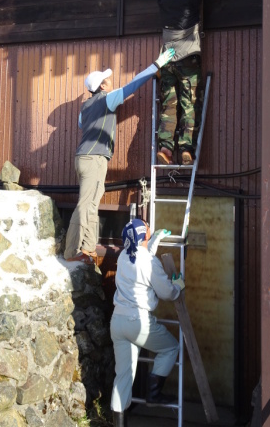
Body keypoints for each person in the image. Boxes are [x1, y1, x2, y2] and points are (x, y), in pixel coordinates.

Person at [64, 48, 175, 264]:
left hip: (84, 157)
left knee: (92, 204)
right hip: (94, 158)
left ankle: (87, 249)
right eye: (107, 80)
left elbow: (81, 124)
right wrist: (156, 65)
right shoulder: (106, 99)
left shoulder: (85, 107)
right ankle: (71, 251)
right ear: (102, 87)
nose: (110, 81)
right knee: (86, 205)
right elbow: (132, 85)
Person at [110, 218, 185, 426]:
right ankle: (154, 393)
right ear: (144, 234)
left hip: (117, 322)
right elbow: (166, 292)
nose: (151, 228)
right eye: (148, 228)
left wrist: (155, 241)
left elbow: (141, 257)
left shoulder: (124, 256)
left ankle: (118, 423)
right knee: (171, 348)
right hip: (138, 322)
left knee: (123, 376)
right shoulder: (149, 262)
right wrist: (177, 286)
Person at [156, 0, 210, 166]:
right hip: (187, 58)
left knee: (169, 104)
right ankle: (186, 149)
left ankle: (166, 149)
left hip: (167, 59)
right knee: (189, 103)